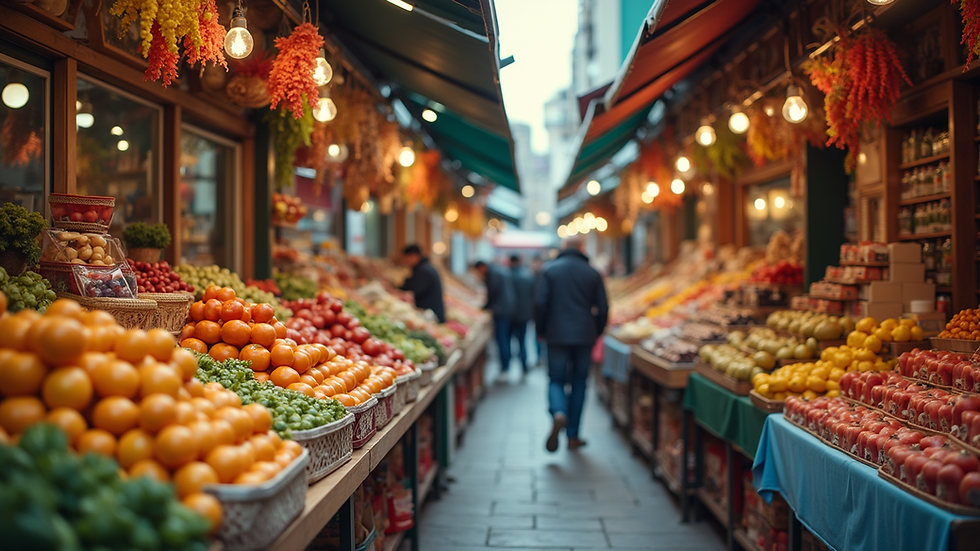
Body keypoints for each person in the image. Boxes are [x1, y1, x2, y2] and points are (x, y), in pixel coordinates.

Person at [535, 237, 608, 452]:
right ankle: (573, 435)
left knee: (556, 379)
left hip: (556, 334)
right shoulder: (592, 272)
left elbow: (540, 303)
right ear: (583, 248)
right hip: (585, 335)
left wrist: (541, 330)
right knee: (579, 382)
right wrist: (597, 331)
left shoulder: (550, 270)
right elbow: (603, 308)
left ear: (564, 248)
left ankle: (559, 413)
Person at [473, 260, 515, 381]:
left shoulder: (492, 274)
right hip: (505, 309)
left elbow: (493, 292)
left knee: (502, 339)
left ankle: (505, 368)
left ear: (482, 267)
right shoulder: (497, 271)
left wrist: (485, 306)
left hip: (501, 310)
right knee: (504, 339)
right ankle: (505, 367)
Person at [399, 244, 445, 323]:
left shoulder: (423, 271)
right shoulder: (426, 267)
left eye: (407, 259)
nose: (406, 262)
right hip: (432, 313)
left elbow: (415, 290)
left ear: (414, 256)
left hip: (431, 315)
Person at [508, 254, 536, 377]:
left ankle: (506, 367)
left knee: (507, 340)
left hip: (510, 314)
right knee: (522, 341)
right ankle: (524, 364)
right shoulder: (528, 276)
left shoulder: (508, 276)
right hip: (524, 314)